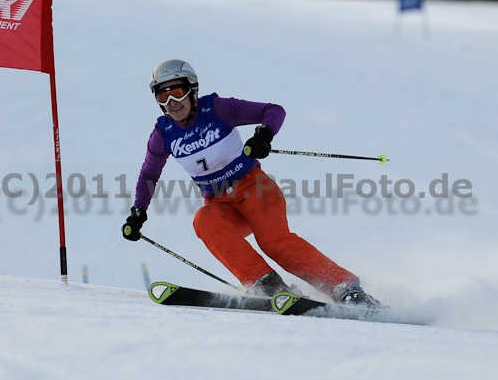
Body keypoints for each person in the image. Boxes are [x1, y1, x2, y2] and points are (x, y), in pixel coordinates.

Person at [122, 59, 380, 307]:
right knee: (204, 220)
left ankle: (347, 289)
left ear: (192, 89)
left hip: (255, 188)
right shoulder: (163, 134)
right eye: (162, 96)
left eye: (177, 92)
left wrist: (264, 135)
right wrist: (138, 211)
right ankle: (268, 286)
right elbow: (148, 175)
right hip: (221, 203)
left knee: (273, 243)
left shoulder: (217, 109)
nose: (172, 102)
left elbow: (273, 111)